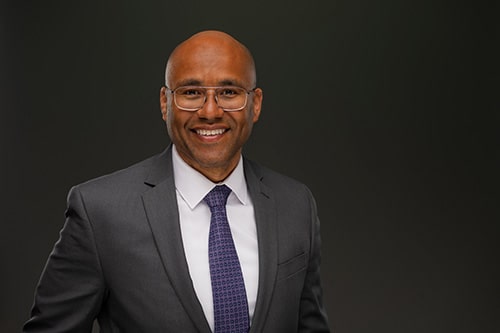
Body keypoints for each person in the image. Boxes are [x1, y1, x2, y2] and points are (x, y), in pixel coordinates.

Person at [23, 30, 330, 333]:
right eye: (191, 93)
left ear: (256, 104)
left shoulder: (295, 204)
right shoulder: (100, 212)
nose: (210, 112)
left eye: (228, 92)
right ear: (165, 102)